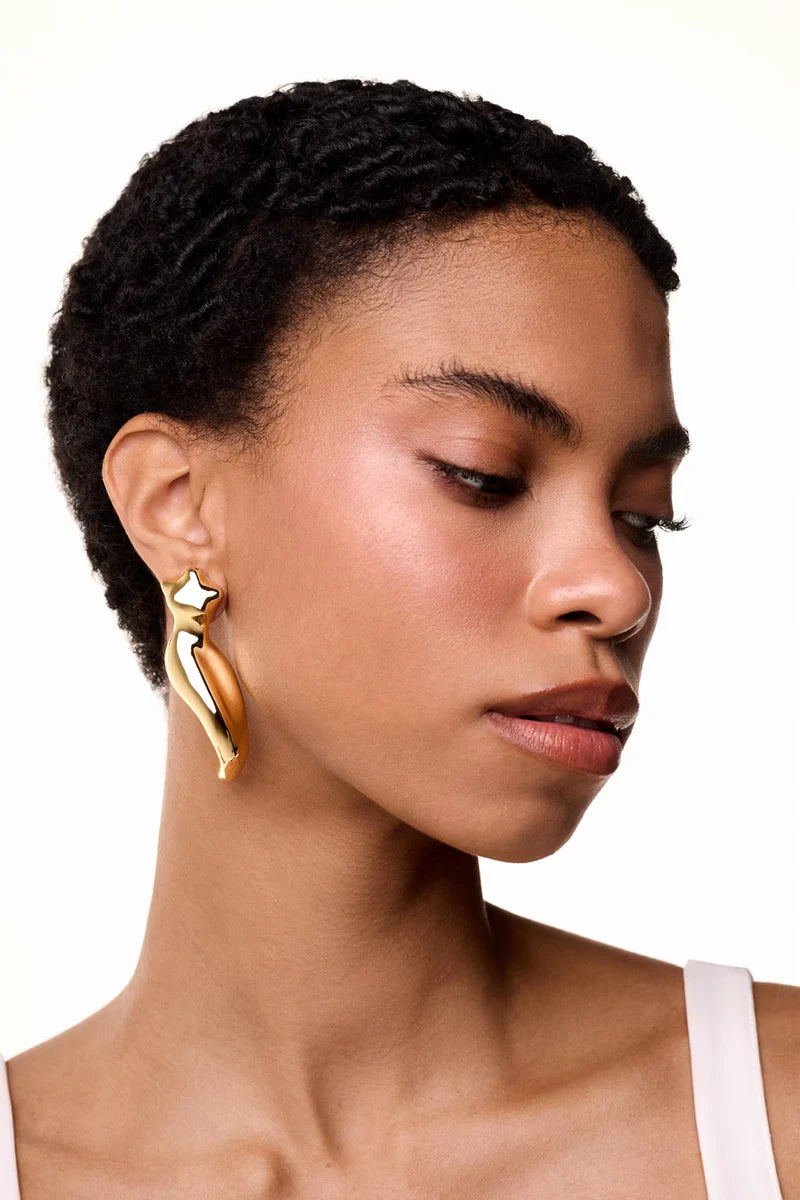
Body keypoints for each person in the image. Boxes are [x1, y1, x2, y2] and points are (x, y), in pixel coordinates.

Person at [1, 78, 797, 1197]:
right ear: (179, 506)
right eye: (484, 475)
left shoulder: (774, 1114)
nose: (617, 589)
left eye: (641, 513)